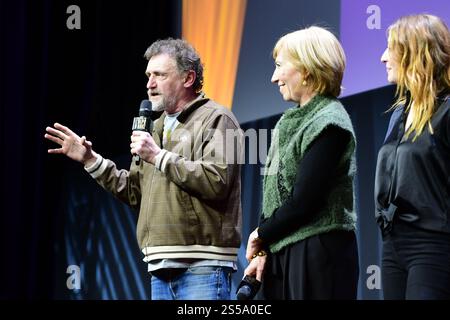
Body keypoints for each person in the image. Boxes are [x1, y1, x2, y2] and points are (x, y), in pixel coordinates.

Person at [44, 38, 243, 300]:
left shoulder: (217, 118)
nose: (149, 84)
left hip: (202, 267)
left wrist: (158, 155)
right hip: (159, 269)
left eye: (159, 75)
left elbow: (216, 181)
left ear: (188, 78)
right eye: (148, 75)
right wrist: (90, 160)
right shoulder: (153, 126)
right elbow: (135, 192)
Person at [244, 26, 359, 299]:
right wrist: (263, 248)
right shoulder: (288, 122)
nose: (274, 78)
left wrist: (260, 234)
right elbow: (275, 199)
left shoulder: (329, 122)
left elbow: (304, 201)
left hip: (318, 253)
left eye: (279, 66)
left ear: (306, 70)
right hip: (285, 252)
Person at [375, 14, 450, 300]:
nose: (383, 58)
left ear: (414, 53)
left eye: (390, 49)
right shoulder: (398, 113)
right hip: (393, 244)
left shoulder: (447, 111)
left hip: (433, 245)